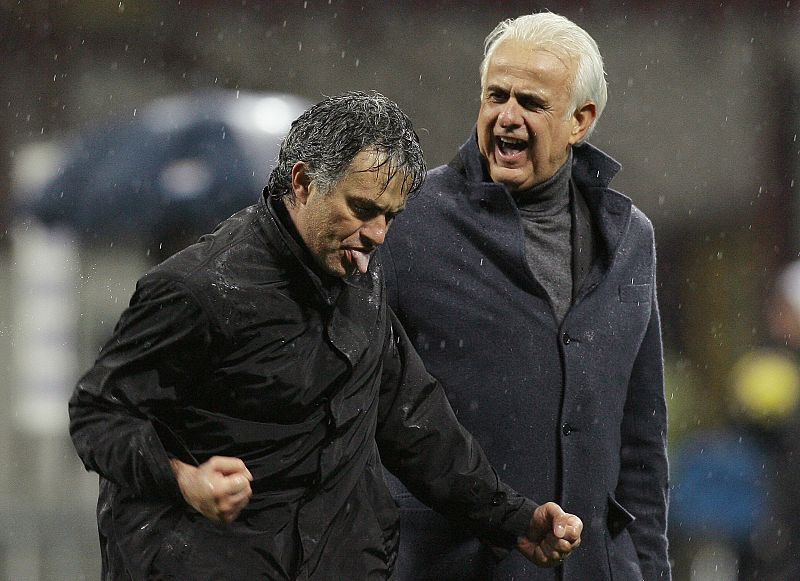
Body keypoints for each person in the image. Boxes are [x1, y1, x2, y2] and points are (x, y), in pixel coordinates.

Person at [68, 91, 583, 580]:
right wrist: (184, 479)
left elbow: (412, 419)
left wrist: (514, 520)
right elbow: (98, 413)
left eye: (390, 217)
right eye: (362, 209)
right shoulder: (198, 289)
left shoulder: (360, 272)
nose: (377, 235)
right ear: (302, 182)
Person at [381, 12, 670, 580]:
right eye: (496, 95)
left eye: (532, 103)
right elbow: (358, 406)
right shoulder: (409, 220)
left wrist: (650, 568)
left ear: (579, 121)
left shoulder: (631, 237)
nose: (506, 117)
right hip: (445, 567)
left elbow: (642, 439)